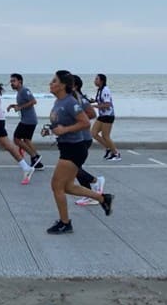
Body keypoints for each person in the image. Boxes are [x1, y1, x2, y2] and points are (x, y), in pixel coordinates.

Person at [44, 70, 113, 234]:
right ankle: (103, 198)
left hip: (74, 149)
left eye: (54, 81)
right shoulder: (58, 102)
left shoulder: (70, 102)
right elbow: (61, 125)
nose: (51, 84)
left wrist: (64, 129)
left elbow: (85, 122)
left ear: (62, 85)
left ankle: (65, 223)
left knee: (56, 186)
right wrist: (52, 130)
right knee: (67, 187)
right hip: (67, 147)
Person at [70, 75, 105, 207]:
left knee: (73, 168)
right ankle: (89, 195)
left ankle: (96, 181)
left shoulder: (80, 99)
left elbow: (92, 114)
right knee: (75, 168)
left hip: (83, 139)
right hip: (76, 139)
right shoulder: (72, 99)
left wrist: (76, 121)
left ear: (75, 86)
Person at [7, 73, 43, 170]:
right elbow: (23, 104)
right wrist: (13, 106)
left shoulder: (24, 90)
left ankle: (34, 157)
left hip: (28, 120)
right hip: (29, 120)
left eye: (14, 81)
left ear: (20, 81)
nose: (12, 83)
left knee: (16, 139)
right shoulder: (19, 92)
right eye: (11, 81)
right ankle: (37, 161)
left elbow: (33, 101)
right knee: (27, 140)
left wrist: (19, 107)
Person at [90, 73, 121, 161]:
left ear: (101, 81)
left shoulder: (105, 90)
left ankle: (116, 154)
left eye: (96, 79)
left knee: (105, 136)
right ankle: (108, 148)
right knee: (93, 133)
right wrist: (91, 101)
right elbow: (100, 100)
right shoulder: (100, 90)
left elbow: (107, 104)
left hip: (108, 116)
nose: (95, 81)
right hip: (102, 116)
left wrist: (94, 106)